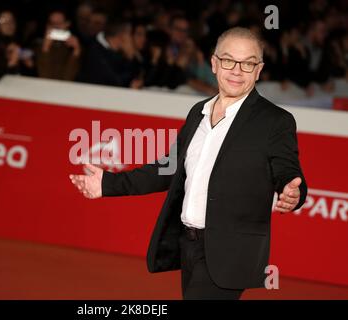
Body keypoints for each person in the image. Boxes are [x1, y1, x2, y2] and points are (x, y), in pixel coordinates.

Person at [69, 27, 307, 300]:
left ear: (259, 69)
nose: (237, 70)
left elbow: (287, 169)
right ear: (215, 64)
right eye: (228, 60)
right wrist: (108, 183)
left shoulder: (275, 121)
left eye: (248, 63)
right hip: (189, 245)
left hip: (230, 252)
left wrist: (292, 192)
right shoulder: (199, 113)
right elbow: (168, 168)